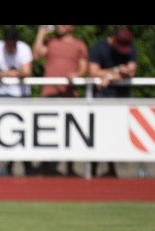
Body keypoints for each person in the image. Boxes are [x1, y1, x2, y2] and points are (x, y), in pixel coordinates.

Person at [33, 25, 88, 177]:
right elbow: (36, 55)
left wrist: (76, 74)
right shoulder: (50, 43)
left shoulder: (79, 45)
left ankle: (70, 168)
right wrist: (41, 33)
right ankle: (44, 168)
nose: (59, 26)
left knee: (70, 134)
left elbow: (84, 68)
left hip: (69, 94)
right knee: (46, 132)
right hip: (49, 93)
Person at [0, 26, 35, 176]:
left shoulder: (24, 49)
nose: (11, 47)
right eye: (9, 43)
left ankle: (24, 164)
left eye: (13, 43)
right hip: (2, 96)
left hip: (22, 96)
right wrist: (9, 73)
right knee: (4, 134)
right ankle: (5, 166)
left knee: (23, 134)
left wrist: (9, 74)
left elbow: (27, 71)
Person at [88, 27, 138, 178]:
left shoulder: (130, 46)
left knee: (115, 135)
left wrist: (111, 75)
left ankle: (111, 169)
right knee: (98, 135)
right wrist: (115, 71)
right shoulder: (99, 48)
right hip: (102, 98)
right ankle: (93, 170)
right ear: (114, 39)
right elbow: (93, 71)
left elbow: (131, 70)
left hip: (122, 99)